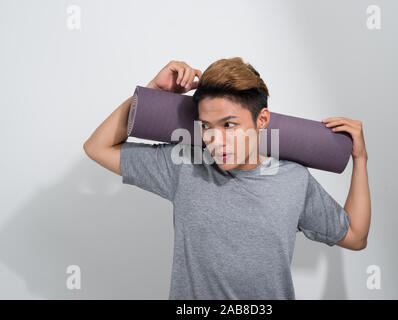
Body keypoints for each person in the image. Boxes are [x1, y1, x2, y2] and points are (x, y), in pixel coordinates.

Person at [83, 58, 371, 300]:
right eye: (206, 126)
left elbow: (356, 237)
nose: (215, 140)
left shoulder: (293, 179)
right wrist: (151, 93)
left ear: (262, 120)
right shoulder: (184, 167)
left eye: (229, 125)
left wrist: (360, 160)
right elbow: (97, 148)